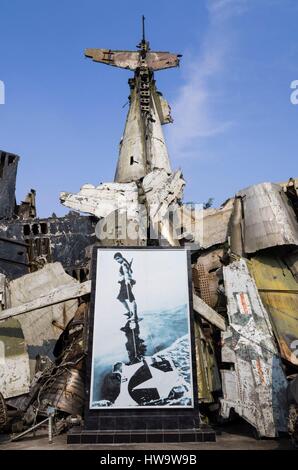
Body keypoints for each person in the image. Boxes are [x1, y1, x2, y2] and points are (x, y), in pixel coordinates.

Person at [114, 252, 137, 319]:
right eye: (116, 259)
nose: (117, 260)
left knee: (131, 299)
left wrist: (127, 282)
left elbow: (127, 274)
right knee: (121, 298)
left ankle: (135, 316)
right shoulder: (124, 264)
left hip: (126, 283)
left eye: (118, 258)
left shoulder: (124, 264)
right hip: (123, 283)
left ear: (121, 257)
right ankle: (130, 312)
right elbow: (128, 273)